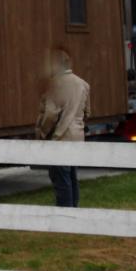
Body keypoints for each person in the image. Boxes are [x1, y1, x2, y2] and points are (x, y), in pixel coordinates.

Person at [35, 48, 90, 207]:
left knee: (60, 179)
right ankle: (74, 208)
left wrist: (43, 132)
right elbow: (87, 111)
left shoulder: (54, 85)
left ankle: (64, 212)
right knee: (72, 177)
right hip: (78, 138)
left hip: (60, 138)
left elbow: (51, 114)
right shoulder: (83, 84)